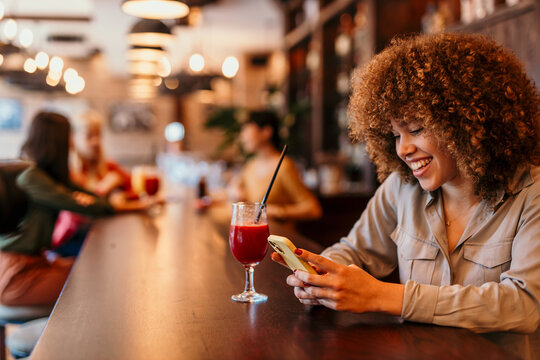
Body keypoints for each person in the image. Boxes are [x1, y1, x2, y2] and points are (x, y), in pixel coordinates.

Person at [272, 33, 540, 335]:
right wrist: (322, 277)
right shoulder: (402, 187)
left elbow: (524, 304)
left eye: (415, 128)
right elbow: (355, 251)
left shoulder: (532, 195)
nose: (402, 149)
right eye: (396, 135)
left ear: (468, 122)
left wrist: (382, 296)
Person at [0, 112, 131, 306]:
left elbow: (93, 200)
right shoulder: (30, 175)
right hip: (16, 274)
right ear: (57, 140)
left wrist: (96, 201)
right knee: (102, 282)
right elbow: (88, 205)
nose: (71, 143)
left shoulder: (44, 173)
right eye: (69, 136)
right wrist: (94, 202)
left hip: (36, 263)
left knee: (100, 271)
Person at [229, 110, 322, 222]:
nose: (242, 136)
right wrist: (234, 189)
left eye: (247, 130)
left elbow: (313, 209)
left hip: (277, 236)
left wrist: (278, 212)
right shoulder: (251, 165)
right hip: (255, 234)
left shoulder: (284, 166)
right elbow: (235, 186)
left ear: (266, 132)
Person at [70, 110, 131, 197]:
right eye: (89, 136)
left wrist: (121, 193)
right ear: (73, 138)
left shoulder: (110, 166)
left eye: (98, 135)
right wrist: (102, 189)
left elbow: (137, 190)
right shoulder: (70, 172)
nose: (96, 141)